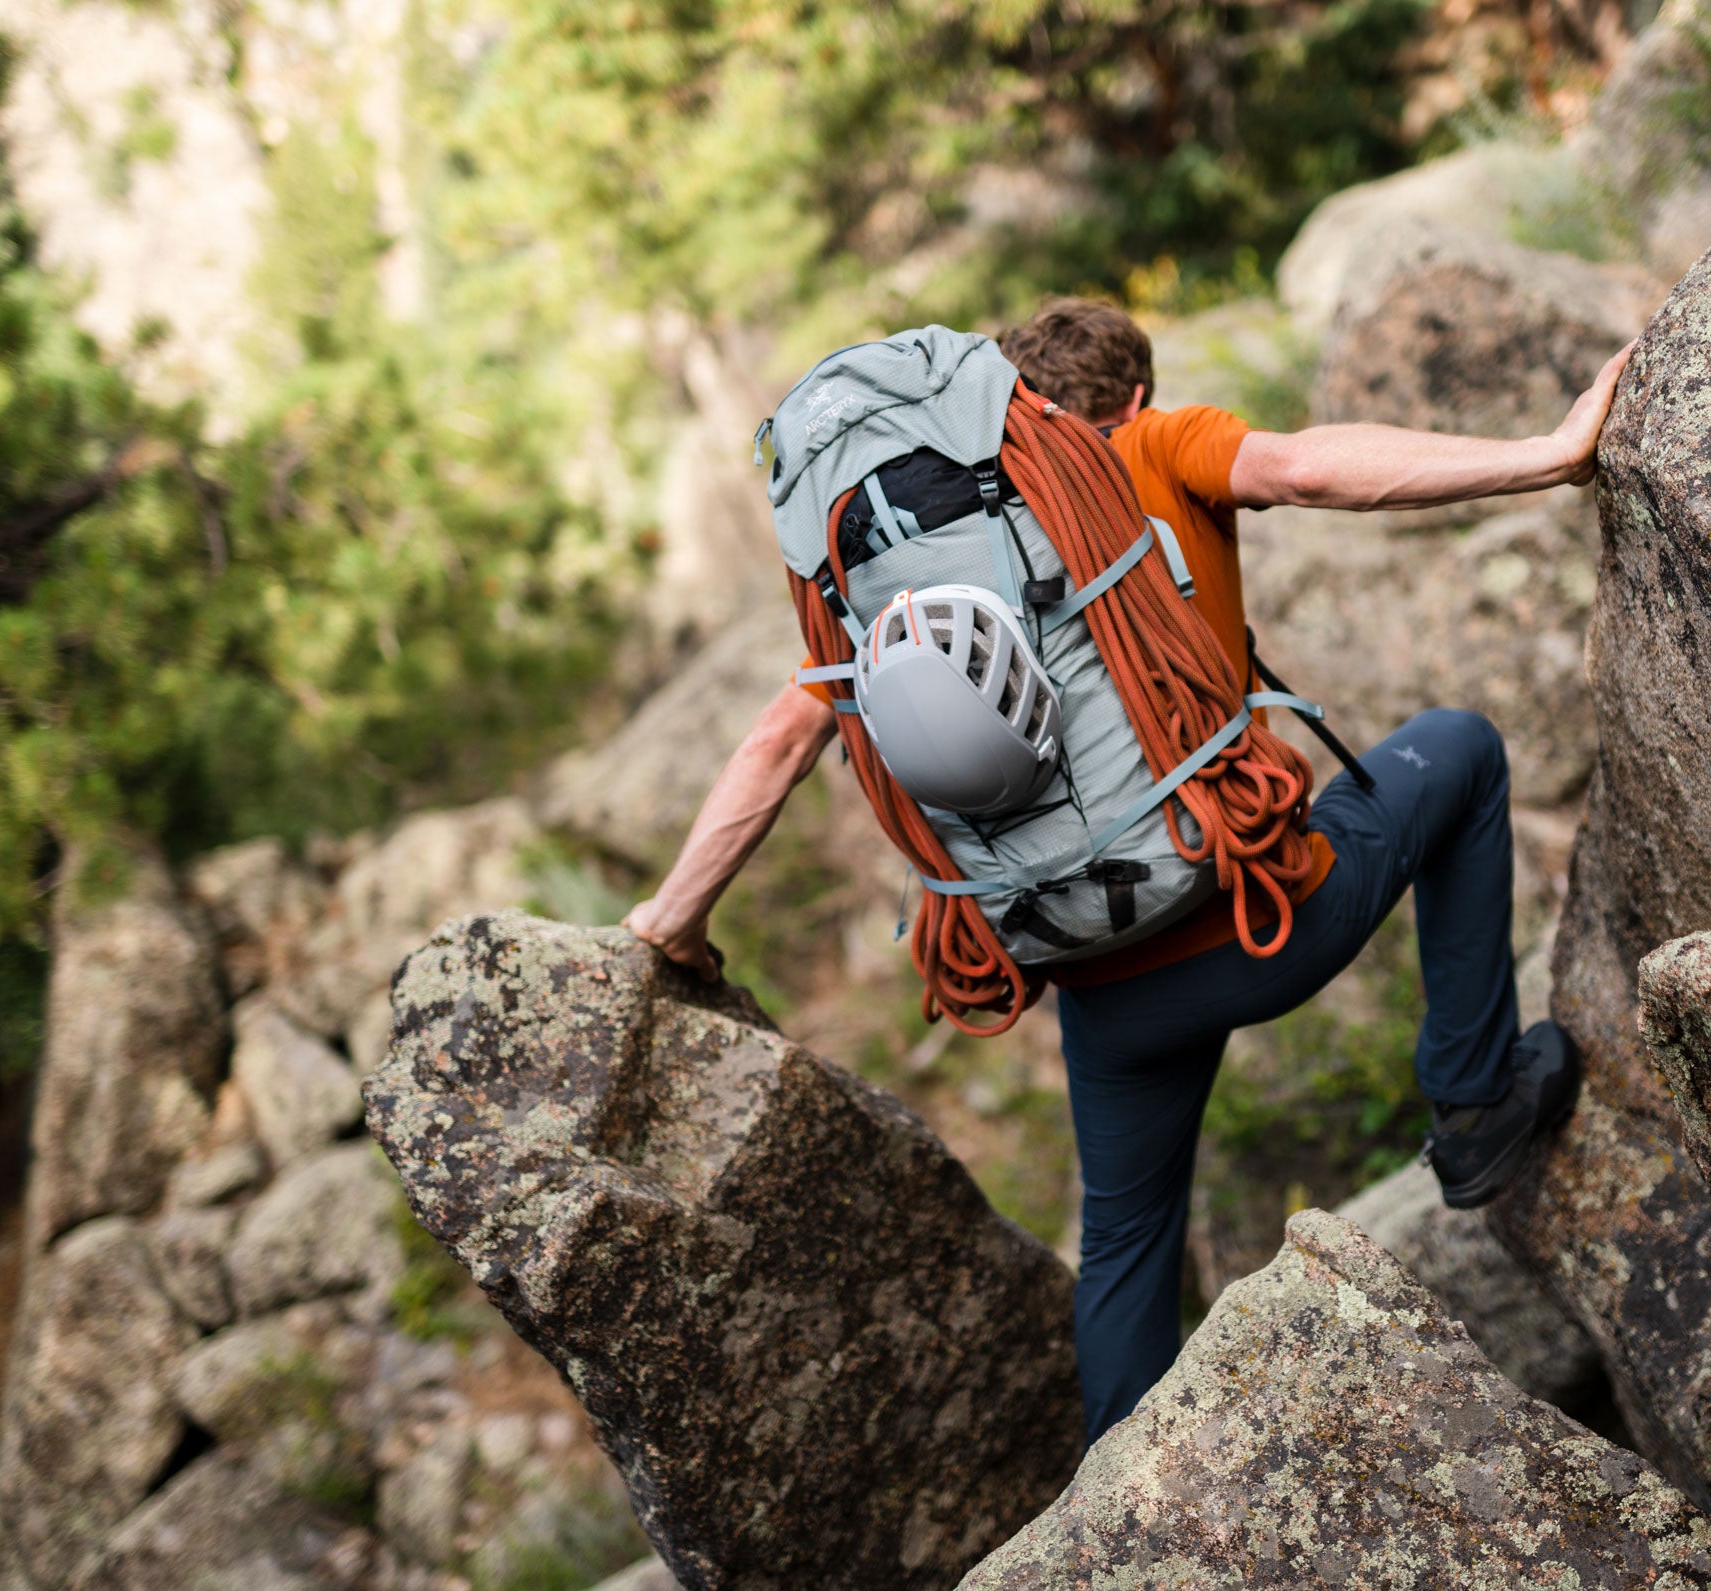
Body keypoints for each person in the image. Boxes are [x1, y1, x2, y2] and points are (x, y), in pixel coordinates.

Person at [627, 296, 1634, 1443]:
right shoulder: (1150, 446)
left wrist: (670, 919)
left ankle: (1116, 1513)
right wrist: (1547, 455)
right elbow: (1310, 467)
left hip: (1103, 990)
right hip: (1264, 913)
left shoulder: (906, 587)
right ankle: (1474, 1099)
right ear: (1127, 402)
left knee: (1122, 1245)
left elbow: (773, 747)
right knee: (1458, 748)